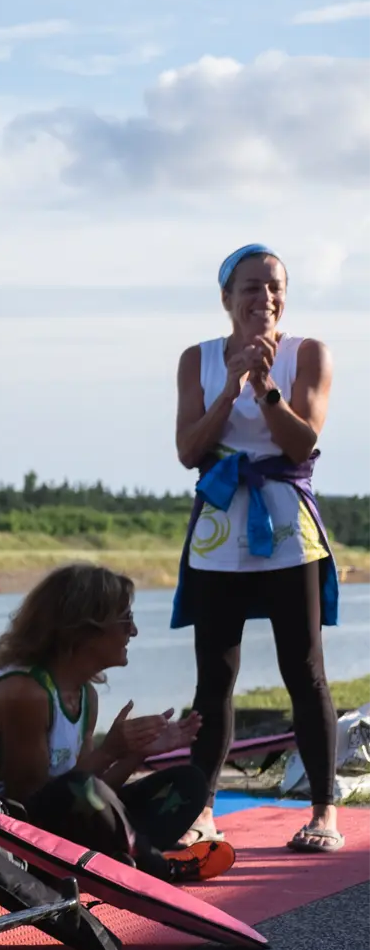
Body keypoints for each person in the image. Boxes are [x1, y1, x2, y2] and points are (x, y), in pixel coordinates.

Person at [174, 244, 339, 853]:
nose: (263, 298)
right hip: (220, 529)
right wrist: (231, 389)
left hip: (287, 528)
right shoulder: (197, 360)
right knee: (214, 678)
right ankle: (203, 809)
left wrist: (266, 388)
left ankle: (324, 810)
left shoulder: (309, 355)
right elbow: (190, 450)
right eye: (249, 287)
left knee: (305, 671)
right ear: (226, 298)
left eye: (274, 287)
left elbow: (301, 444)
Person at [0, 564, 231, 881]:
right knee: (83, 788)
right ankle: (156, 866)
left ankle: (116, 856)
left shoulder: (86, 695)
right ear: (84, 629)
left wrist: (135, 753)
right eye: (125, 620)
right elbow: (28, 803)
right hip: (2, 832)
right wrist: (110, 749)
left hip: (57, 818)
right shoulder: (26, 693)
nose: (134, 631)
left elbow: (92, 793)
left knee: (188, 784)